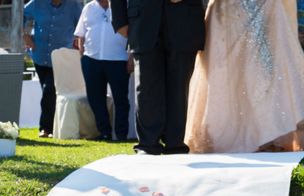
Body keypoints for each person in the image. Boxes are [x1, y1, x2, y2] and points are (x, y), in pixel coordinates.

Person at [185, 0, 304, 153]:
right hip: (227, 12)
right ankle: (248, 134)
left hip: (261, 8)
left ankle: (268, 134)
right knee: (228, 74)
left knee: (261, 73)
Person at [110, 0, 206, 155]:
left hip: (185, 21)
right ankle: (148, 144)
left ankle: (175, 143)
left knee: (179, 87)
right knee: (147, 87)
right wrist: (119, 20)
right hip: (142, 22)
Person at [24, 0, 82, 138]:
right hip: (39, 56)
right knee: (49, 93)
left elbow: (82, 26)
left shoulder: (74, 5)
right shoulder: (37, 3)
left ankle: (46, 128)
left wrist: (79, 44)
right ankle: (55, 126)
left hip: (61, 59)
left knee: (48, 90)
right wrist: (24, 36)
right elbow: (20, 16)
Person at [74, 0, 130, 141]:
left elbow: (132, 33)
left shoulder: (123, 5)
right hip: (92, 60)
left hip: (118, 60)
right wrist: (83, 56)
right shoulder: (88, 7)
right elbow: (81, 34)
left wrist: (131, 56)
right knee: (96, 98)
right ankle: (104, 132)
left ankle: (122, 134)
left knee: (121, 99)